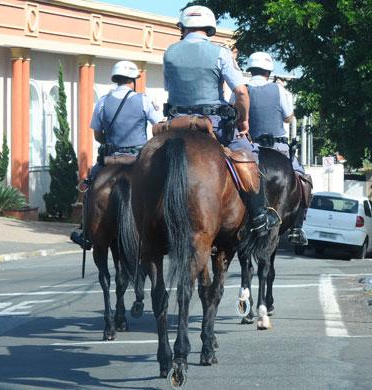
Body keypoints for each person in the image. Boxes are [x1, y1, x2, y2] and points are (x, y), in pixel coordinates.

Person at [163, 5, 279, 237]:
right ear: (210, 28)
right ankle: (258, 215)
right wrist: (243, 121)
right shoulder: (220, 53)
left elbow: (169, 88)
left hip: (175, 124)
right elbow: (241, 92)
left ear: (183, 27)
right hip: (213, 124)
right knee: (246, 154)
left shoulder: (169, 52)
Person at [71, 60, 162, 249]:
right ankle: (166, 227)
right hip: (138, 159)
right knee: (162, 186)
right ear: (133, 80)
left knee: (89, 187)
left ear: (116, 80)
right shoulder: (143, 100)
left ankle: (86, 231)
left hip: (110, 159)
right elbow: (158, 126)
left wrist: (111, 143)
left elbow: (97, 135)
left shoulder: (103, 102)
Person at [233, 51, 307, 245]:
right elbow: (288, 117)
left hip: (249, 146)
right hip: (277, 147)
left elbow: (236, 114)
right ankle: (297, 228)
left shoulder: (242, 89)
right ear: (269, 70)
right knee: (303, 178)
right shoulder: (278, 90)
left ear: (250, 68)